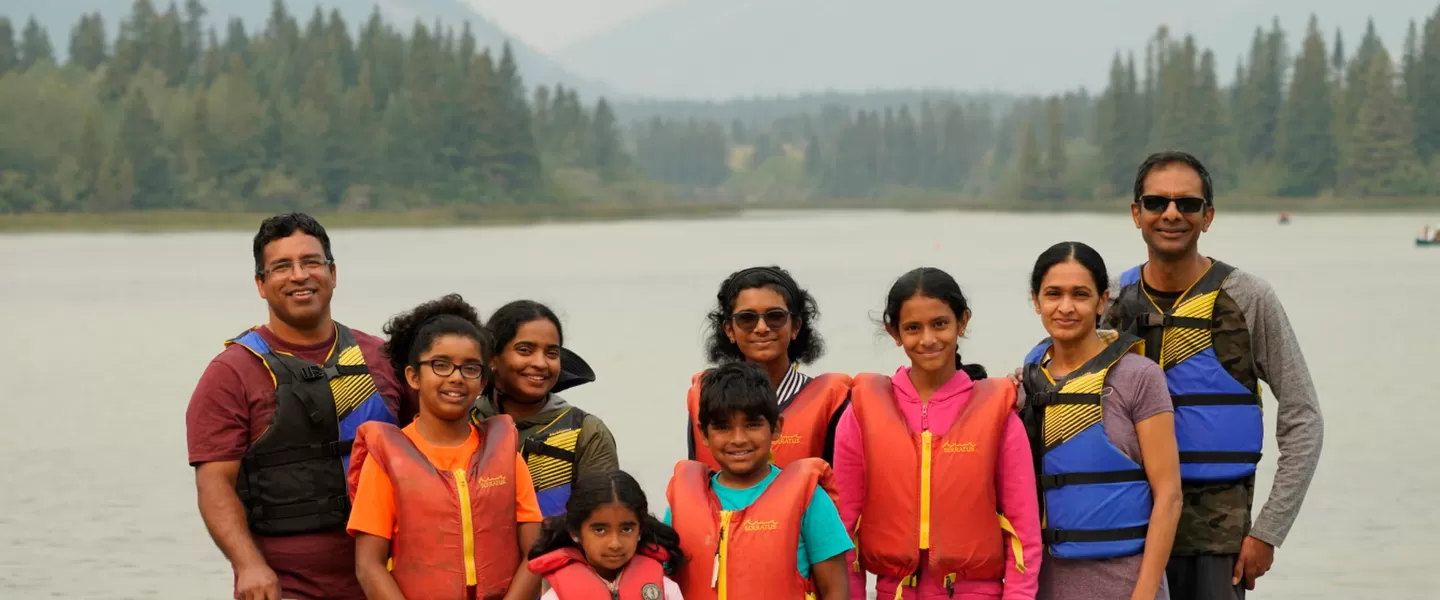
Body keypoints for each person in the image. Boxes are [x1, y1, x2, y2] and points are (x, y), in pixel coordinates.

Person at [1104, 151, 1324, 599]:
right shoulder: (1109, 302)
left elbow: (1303, 417)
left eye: (1187, 204)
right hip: (1121, 537)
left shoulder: (1248, 297)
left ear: (1208, 217)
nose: (1171, 214)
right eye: (1156, 203)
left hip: (1217, 545)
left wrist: (1268, 532)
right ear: (1136, 214)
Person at [185, 212, 413, 600]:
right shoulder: (231, 373)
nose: (299, 276)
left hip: (390, 580)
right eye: (281, 267)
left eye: (311, 262)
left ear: (333, 273)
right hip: (286, 585)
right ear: (261, 283)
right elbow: (214, 483)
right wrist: (248, 565)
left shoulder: (384, 358)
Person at [834, 266, 1041, 600]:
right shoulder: (862, 412)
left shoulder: (997, 413)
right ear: (894, 332)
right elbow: (843, 532)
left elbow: (1023, 535)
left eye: (940, 324)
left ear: (963, 322)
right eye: (913, 328)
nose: (928, 339)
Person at [346, 294, 544, 600]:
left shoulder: (504, 451)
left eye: (470, 368)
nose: (456, 378)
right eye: (441, 365)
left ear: (482, 381)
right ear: (413, 376)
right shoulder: (387, 457)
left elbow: (535, 551)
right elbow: (368, 565)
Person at [1016, 242, 1182, 600]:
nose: (1065, 307)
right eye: (1053, 294)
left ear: (1102, 301)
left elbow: (1169, 495)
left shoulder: (1140, 377)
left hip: (1127, 581)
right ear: (1036, 300)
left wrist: (1145, 593)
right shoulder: (1024, 387)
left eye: (1080, 294)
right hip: (1045, 584)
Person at [665, 362, 853, 600]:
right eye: (723, 427)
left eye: (752, 425)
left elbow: (835, 590)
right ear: (703, 434)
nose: (739, 439)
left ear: (776, 428)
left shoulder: (809, 499)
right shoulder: (683, 504)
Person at [686, 265, 852, 469]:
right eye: (747, 318)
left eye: (775, 317)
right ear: (729, 330)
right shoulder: (707, 397)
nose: (762, 328)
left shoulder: (832, 403)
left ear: (796, 327)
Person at [470, 300, 620, 518]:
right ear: (493, 358)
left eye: (551, 353)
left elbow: (604, 522)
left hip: (556, 551)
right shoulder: (463, 422)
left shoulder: (586, 432)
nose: (540, 363)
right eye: (525, 350)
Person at [527, 470, 686, 599]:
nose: (615, 544)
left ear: (640, 530)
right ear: (575, 533)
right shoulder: (555, 597)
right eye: (600, 530)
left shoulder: (667, 591)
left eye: (626, 529)